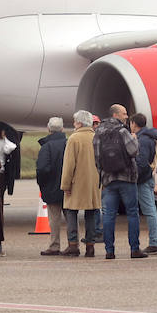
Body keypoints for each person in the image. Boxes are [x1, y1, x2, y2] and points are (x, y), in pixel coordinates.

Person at [94, 103, 143, 259]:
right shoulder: (123, 131)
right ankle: (134, 249)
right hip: (127, 177)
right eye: (124, 113)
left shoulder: (99, 132)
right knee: (132, 213)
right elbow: (133, 151)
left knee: (108, 215)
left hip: (108, 179)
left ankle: (109, 250)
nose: (126, 116)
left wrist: (102, 173)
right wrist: (135, 139)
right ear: (115, 115)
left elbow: (96, 157)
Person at [59, 110, 101, 258]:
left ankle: (73, 244)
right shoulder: (97, 137)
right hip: (94, 181)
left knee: (71, 211)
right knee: (91, 213)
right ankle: (90, 246)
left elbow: (69, 164)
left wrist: (65, 185)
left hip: (77, 181)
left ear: (80, 122)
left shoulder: (74, 139)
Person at [35, 117, 69, 255]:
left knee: (54, 218)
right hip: (68, 186)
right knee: (71, 217)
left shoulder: (46, 146)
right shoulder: (69, 143)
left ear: (48, 129)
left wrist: (43, 184)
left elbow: (42, 168)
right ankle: (74, 243)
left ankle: (55, 245)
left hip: (52, 186)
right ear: (62, 129)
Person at [131, 113, 157, 254]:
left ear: (134, 124)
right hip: (147, 177)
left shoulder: (143, 140)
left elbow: (142, 162)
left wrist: (135, 177)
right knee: (150, 209)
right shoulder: (149, 137)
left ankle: (154, 242)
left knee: (149, 210)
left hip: (142, 179)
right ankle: (154, 241)